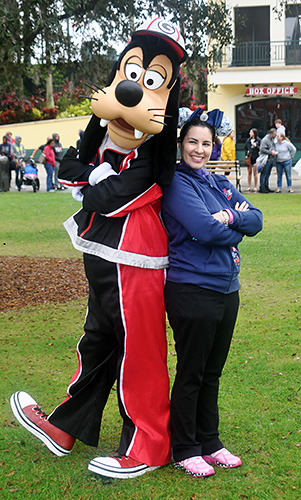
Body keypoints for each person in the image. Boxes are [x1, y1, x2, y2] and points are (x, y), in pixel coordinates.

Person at [10, 18, 187, 481]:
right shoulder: (108, 139)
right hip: (105, 253)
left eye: (151, 83)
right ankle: (66, 426)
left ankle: (149, 445)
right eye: (130, 75)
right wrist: (92, 174)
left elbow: (112, 198)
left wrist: (91, 180)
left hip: (137, 254)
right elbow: (71, 170)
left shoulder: (149, 152)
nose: (133, 94)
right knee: (99, 341)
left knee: (139, 348)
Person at [161, 108, 263, 478]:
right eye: (192, 142)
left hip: (226, 288)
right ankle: (185, 448)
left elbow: (257, 217)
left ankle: (210, 442)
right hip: (192, 288)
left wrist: (233, 218)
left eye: (206, 143)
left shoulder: (217, 182)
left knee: (212, 372)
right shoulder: (176, 182)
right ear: (181, 143)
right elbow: (205, 230)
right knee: (192, 371)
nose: (199, 149)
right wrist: (233, 225)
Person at [258, 128, 277, 193]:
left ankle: (266, 186)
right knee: (264, 174)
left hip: (271, 159)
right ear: (271, 134)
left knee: (268, 174)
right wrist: (271, 152)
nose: (275, 136)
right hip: (266, 160)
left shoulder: (272, 139)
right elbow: (262, 149)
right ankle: (262, 187)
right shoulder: (265, 140)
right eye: (274, 134)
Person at [244, 128, 261, 192]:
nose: (249, 133)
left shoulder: (258, 140)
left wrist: (256, 146)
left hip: (256, 157)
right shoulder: (248, 140)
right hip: (249, 157)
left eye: (251, 132)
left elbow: (260, 148)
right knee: (249, 172)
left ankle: (255, 186)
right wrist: (246, 154)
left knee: (255, 172)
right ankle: (249, 186)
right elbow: (245, 147)